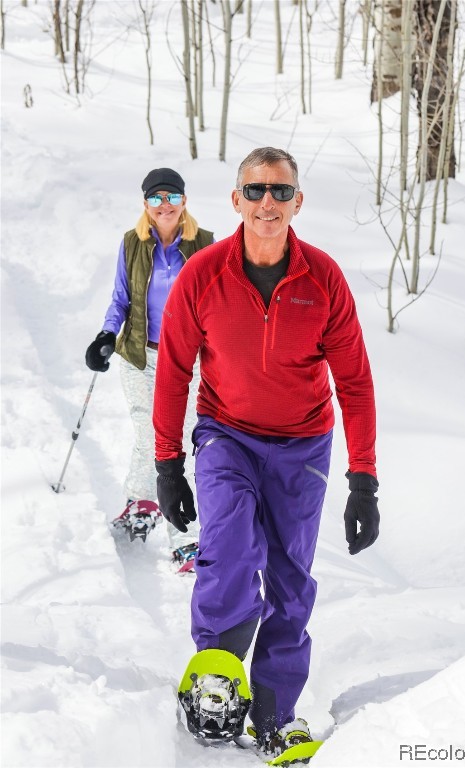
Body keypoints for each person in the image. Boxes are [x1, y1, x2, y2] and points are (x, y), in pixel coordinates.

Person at [153, 148, 379, 755]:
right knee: (228, 549)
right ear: (236, 200)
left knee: (289, 580)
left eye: (280, 192)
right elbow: (173, 371)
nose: (267, 203)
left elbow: (354, 381)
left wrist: (364, 482)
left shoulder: (323, 278)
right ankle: (217, 677)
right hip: (226, 435)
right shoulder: (203, 274)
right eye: (254, 191)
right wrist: (168, 464)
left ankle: (276, 713)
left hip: (303, 446)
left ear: (298, 202)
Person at [85, 167, 214, 549]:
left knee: (178, 441)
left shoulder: (205, 245)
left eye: (172, 197)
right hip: (140, 357)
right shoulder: (132, 244)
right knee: (149, 436)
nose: (164, 204)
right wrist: (107, 334)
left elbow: (218, 303)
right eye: (156, 197)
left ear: (184, 202)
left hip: (187, 361)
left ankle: (186, 536)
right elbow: (120, 299)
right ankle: (142, 505)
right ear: (145, 204)